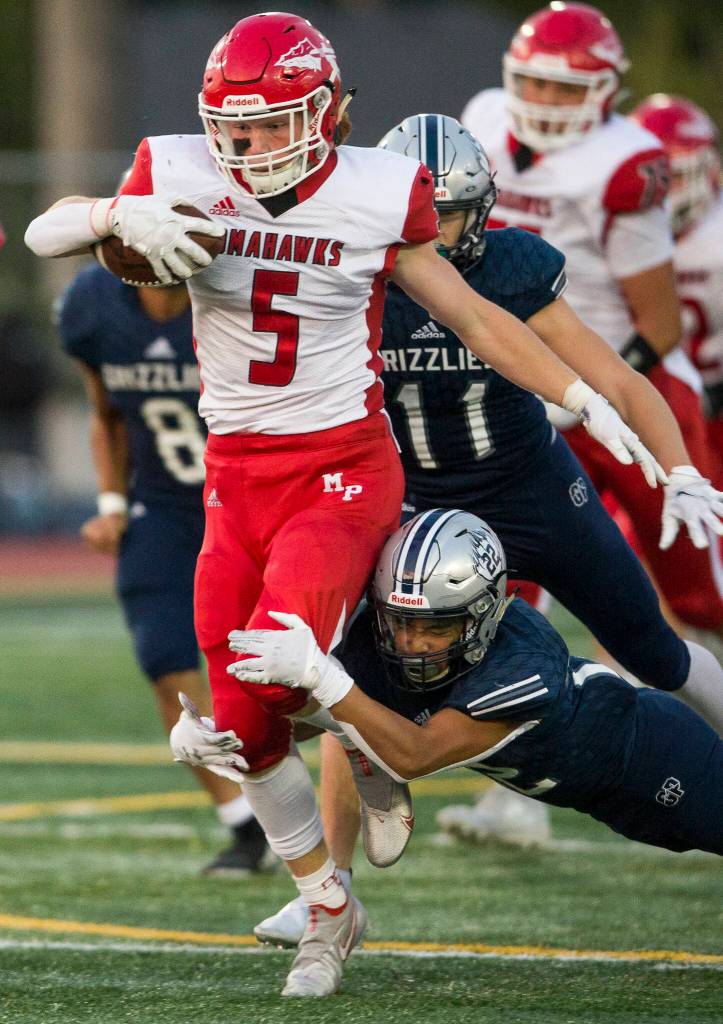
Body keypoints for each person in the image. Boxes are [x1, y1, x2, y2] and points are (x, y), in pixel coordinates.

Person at [25, 10, 668, 999]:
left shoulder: (375, 189)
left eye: (272, 125)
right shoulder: (181, 165)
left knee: (281, 667)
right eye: (232, 129)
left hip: (342, 469)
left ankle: (367, 744)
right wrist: (114, 217)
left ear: (323, 113)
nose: (249, 148)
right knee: (239, 724)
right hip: (233, 481)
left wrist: (579, 395)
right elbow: (43, 229)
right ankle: (331, 905)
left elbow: (473, 314)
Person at [253, 114, 723, 948]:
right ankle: (328, 888)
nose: (435, 237)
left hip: (530, 486)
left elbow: (611, 372)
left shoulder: (510, 268)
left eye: (453, 218)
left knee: (652, 648)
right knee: (346, 657)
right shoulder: (350, 272)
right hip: (414, 503)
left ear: (486, 210)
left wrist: (678, 465)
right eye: (420, 219)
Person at [222, 509, 723, 860]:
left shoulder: (522, 663)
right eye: (401, 622)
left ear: (480, 617)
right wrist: (231, 736)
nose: (414, 643)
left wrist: (324, 679)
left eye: (436, 626)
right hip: (603, 797)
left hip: (660, 761)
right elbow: (332, 717)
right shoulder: (397, 644)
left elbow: (413, 755)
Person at [460, 1, 723, 649]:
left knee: (698, 596)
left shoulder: (622, 161)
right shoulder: (483, 119)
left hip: (632, 387)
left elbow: (659, 324)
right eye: (536, 82)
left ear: (604, 91)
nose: (546, 100)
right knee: (502, 582)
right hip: (527, 389)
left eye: (565, 86)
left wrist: (591, 392)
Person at [57, 263, 268, 875]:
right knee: (162, 656)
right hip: (164, 504)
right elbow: (106, 413)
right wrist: (112, 503)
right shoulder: (94, 306)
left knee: (278, 657)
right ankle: (242, 822)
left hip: (250, 495)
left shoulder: (238, 291)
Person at [630, 95, 723, 491]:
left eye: (675, 176)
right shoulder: (615, 226)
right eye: (653, 174)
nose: (662, 191)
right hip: (642, 393)